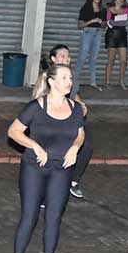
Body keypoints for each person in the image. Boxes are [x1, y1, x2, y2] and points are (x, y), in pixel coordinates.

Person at [6, 63, 85, 253]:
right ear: (51, 81)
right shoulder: (36, 107)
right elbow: (13, 131)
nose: (69, 82)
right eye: (64, 78)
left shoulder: (76, 108)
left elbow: (80, 133)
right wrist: (35, 146)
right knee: (30, 215)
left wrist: (75, 147)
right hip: (35, 167)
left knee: (54, 216)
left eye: (70, 78)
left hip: (62, 169)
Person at [45, 45, 94, 199]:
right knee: (54, 151)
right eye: (62, 56)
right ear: (53, 59)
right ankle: (45, 191)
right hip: (53, 118)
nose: (66, 59)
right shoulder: (48, 77)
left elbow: (74, 93)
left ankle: (73, 182)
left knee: (86, 146)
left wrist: (81, 104)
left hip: (70, 117)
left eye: (68, 56)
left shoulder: (70, 75)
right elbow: (39, 98)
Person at [71, 0, 105, 97]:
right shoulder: (85, 9)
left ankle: (93, 82)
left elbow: (104, 26)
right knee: (82, 57)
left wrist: (102, 23)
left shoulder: (103, 10)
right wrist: (92, 21)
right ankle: (73, 81)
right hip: (87, 33)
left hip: (98, 33)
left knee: (93, 59)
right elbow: (79, 26)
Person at [104, 0, 128, 89]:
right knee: (111, 60)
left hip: (122, 35)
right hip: (112, 35)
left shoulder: (126, 9)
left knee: (124, 61)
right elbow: (109, 23)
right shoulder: (109, 9)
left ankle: (121, 81)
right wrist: (121, 18)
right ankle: (107, 82)